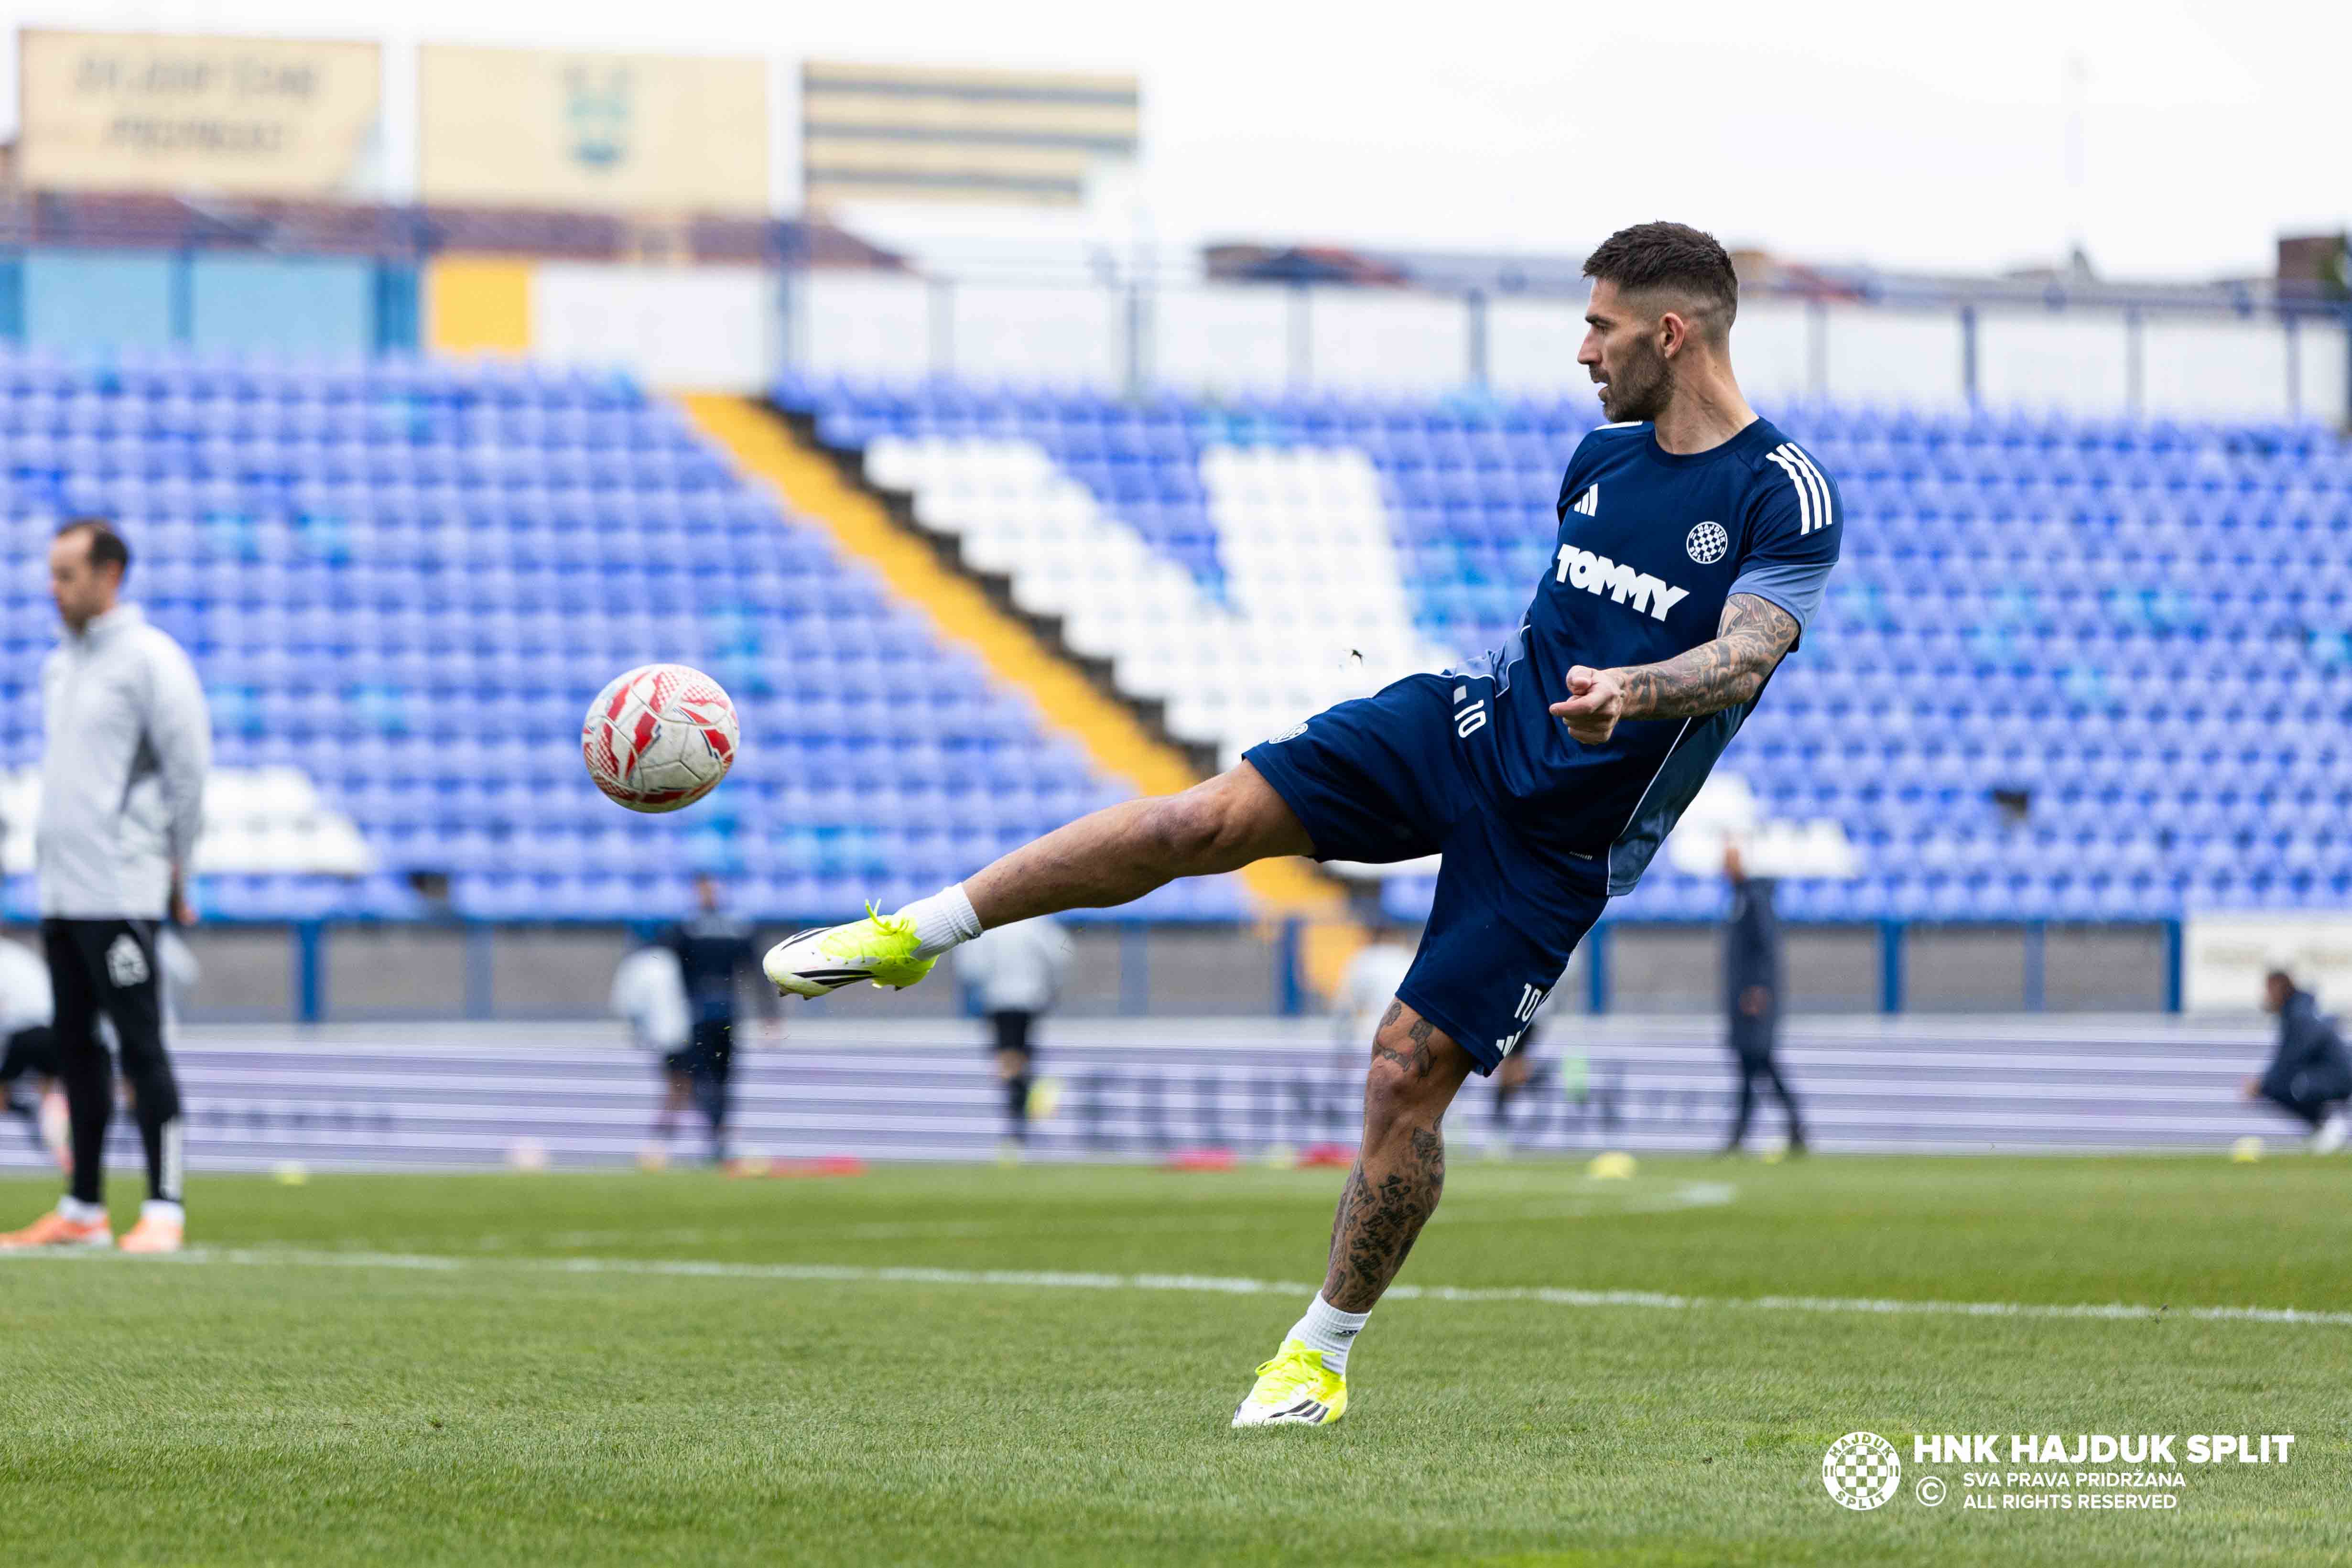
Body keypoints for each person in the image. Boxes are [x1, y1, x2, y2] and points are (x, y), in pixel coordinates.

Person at [764, 222, 1843, 1427]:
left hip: (1559, 841)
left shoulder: (1781, 492)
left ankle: (1316, 1357)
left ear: (1671, 331)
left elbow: (1747, 654)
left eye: (1601, 325)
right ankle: (916, 930)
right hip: (1468, 724)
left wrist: (1635, 693)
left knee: (1403, 1072)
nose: (1582, 350)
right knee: (1203, 817)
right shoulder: (1600, 456)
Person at [1, 519, 209, 1254]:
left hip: (123, 888)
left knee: (140, 1043)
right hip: (63, 891)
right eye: (52, 574)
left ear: (110, 574)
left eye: (67, 575)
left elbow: (188, 771)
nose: (54, 589)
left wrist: (180, 867)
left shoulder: (151, 660)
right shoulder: (63, 665)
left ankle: (164, 1207)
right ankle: (84, 1206)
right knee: (76, 1049)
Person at [661, 875, 777, 1166]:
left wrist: (769, 1014)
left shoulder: (687, 929)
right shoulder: (736, 928)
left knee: (708, 1076)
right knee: (717, 1077)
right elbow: (760, 971)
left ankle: (714, 1135)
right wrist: (769, 1014)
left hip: (703, 1012)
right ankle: (716, 1135)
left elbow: (662, 968)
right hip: (719, 1011)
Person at [951, 916, 1073, 1150]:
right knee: (1021, 1054)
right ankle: (1029, 1100)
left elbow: (971, 966)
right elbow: (1060, 955)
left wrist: (979, 989)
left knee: (1006, 1059)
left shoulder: (990, 927)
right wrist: (1051, 986)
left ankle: (1019, 1115)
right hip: (1032, 997)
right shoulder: (1038, 924)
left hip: (998, 999)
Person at [1720, 841, 1805, 1155]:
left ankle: (1788, 1125)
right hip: (1743, 1000)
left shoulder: (1753, 899)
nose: (1724, 867)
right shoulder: (1742, 898)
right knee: (1751, 1066)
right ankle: (1746, 1133)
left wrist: (1757, 988)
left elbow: (1764, 949)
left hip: (1753, 1001)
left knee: (1759, 1063)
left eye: (1729, 860)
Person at [609, 929, 694, 1168]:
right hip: (682, 1032)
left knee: (677, 1086)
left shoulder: (637, 964)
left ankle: (661, 1139)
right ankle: (663, 1139)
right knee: (680, 1087)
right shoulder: (674, 962)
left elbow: (626, 1004)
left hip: (660, 1035)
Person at [2244, 966, 2352, 1153]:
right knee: (2277, 1084)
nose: (2266, 996)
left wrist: (2262, 1082)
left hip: (2339, 1077)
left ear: (2278, 988)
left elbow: (2292, 1056)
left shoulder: (2299, 1015)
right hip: (2328, 1075)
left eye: (2268, 990)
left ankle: (2328, 1127)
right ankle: (2324, 1129)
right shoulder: (2296, 1012)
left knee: (2281, 1086)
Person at [0, 928, 67, 1167]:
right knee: (49, 1088)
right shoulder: (22, 956)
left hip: (25, 1032)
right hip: (53, 1031)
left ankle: (26, 1112)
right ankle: (57, 1143)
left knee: (3, 1090)